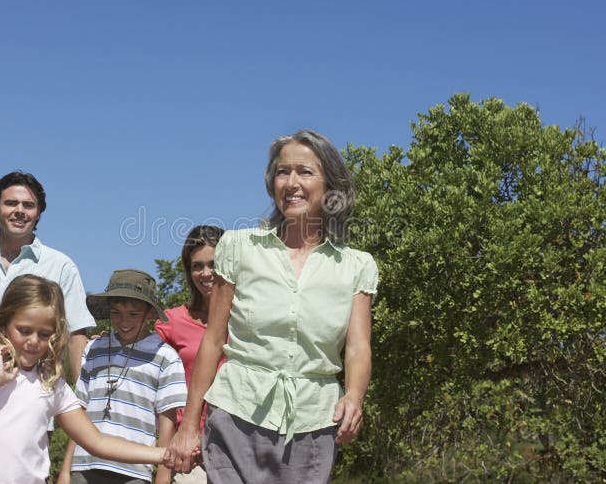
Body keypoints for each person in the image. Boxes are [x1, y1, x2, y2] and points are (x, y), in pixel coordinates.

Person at [165, 130, 379, 483]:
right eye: (283, 172)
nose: (291, 182)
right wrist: (189, 426)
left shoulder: (357, 266)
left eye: (305, 172)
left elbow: (358, 347)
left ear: (331, 186)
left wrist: (354, 397)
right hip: (235, 413)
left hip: (314, 423)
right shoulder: (238, 247)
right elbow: (213, 340)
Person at [0, 275, 166, 484]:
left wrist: (164, 454)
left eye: (44, 334)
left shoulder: (51, 384)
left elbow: (97, 442)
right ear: (4, 325)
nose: (34, 341)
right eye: (24, 331)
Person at [59, 269, 187, 484]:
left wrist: (163, 479)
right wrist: (65, 471)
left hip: (134, 471)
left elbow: (168, 425)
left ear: (149, 314)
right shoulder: (94, 349)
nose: (123, 321)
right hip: (84, 466)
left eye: (133, 314)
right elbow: (79, 411)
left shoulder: (165, 357)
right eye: (116, 312)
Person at [0, 171, 95, 382]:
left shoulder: (61, 266)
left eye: (28, 205)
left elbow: (75, 337)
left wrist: (82, 398)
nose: (19, 211)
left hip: (35, 391)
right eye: (11, 203)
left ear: (38, 213)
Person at [155, 225, 224, 484]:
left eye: (213, 264)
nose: (206, 273)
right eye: (197, 266)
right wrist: (107, 342)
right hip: (189, 452)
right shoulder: (171, 322)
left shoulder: (246, 319)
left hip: (239, 445)